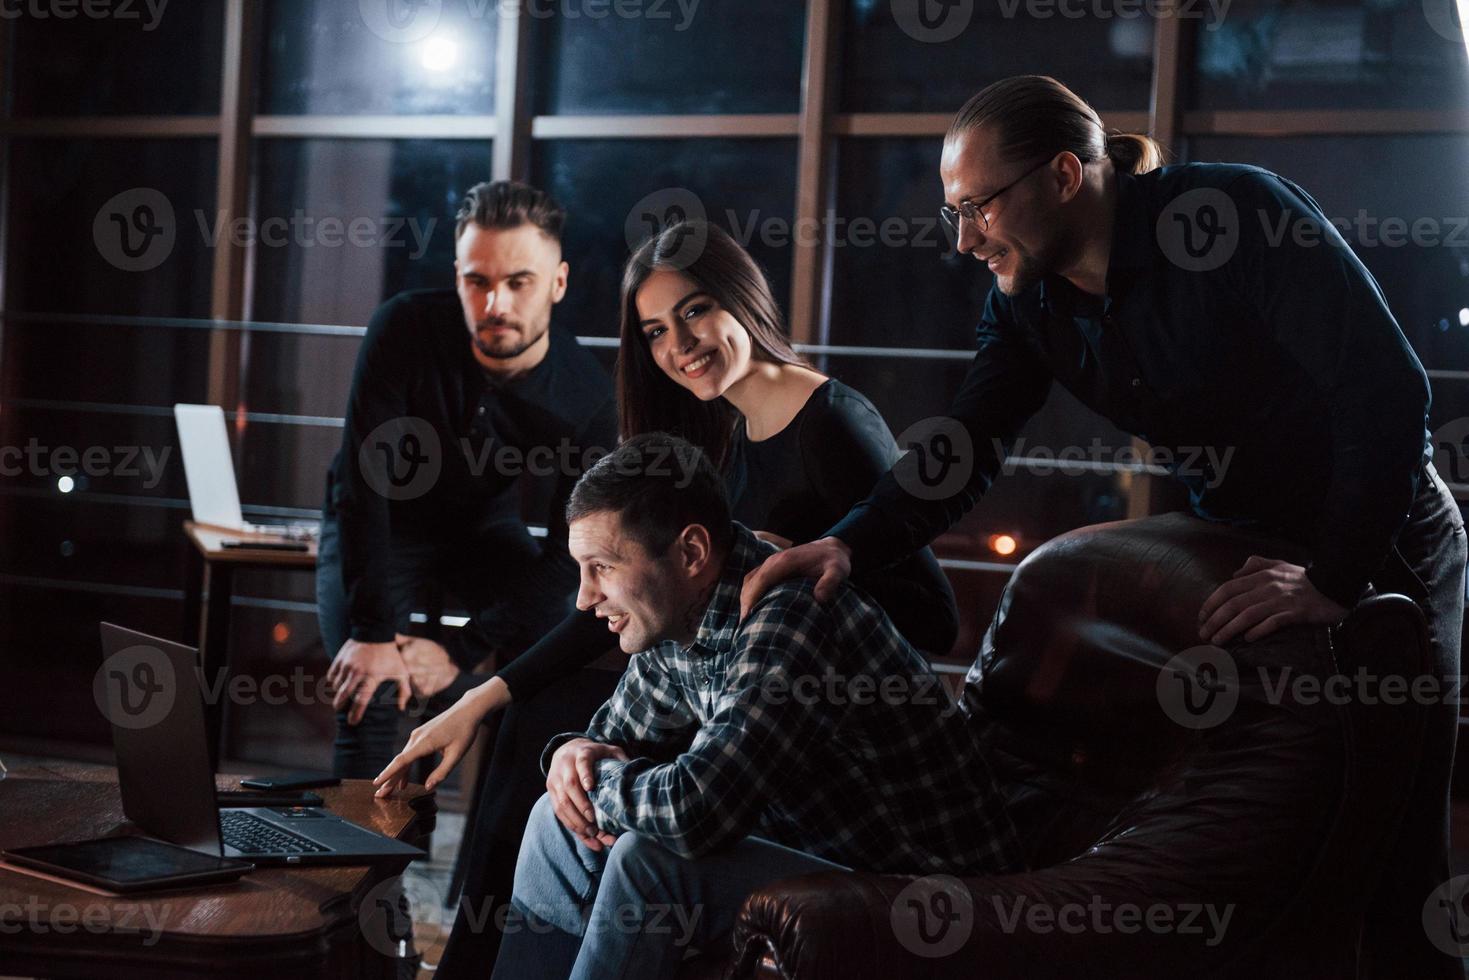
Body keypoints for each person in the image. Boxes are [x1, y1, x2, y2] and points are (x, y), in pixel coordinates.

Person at [738, 74, 1467, 977]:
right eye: (950, 213)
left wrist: (1333, 577)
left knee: (1395, 861)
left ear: (1061, 176)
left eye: (977, 208)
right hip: (1239, 536)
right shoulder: (1024, 298)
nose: (962, 239)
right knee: (1274, 849)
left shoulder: (1229, 213)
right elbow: (967, 442)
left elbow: (1386, 394)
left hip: (1385, 536)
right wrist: (851, 539)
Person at [373, 222, 960, 974]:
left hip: (815, 711)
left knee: (619, 810)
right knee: (548, 755)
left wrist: (814, 563)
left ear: (742, 299)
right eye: (654, 329)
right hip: (735, 684)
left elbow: (934, 618)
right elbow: (624, 599)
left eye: (693, 311)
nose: (677, 345)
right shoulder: (714, 427)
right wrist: (484, 698)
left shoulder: (834, 422)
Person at [487, 432, 1023, 980]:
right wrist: (572, 754)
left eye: (601, 567)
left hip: (933, 902)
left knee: (648, 862)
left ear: (690, 553)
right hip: (828, 861)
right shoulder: (679, 615)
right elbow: (611, 741)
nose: (583, 596)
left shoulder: (788, 615)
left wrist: (593, 773)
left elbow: (694, 814)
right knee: (554, 821)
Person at [317, 180, 617, 778]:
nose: (494, 304)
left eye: (518, 282)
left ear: (557, 282)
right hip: (384, 524)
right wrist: (374, 633)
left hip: (482, 530)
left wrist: (459, 653)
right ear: (457, 276)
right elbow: (362, 484)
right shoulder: (403, 327)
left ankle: (500, 848)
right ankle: (368, 870)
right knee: (369, 687)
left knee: (552, 642)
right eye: (476, 281)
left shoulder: (586, 394)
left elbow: (567, 555)